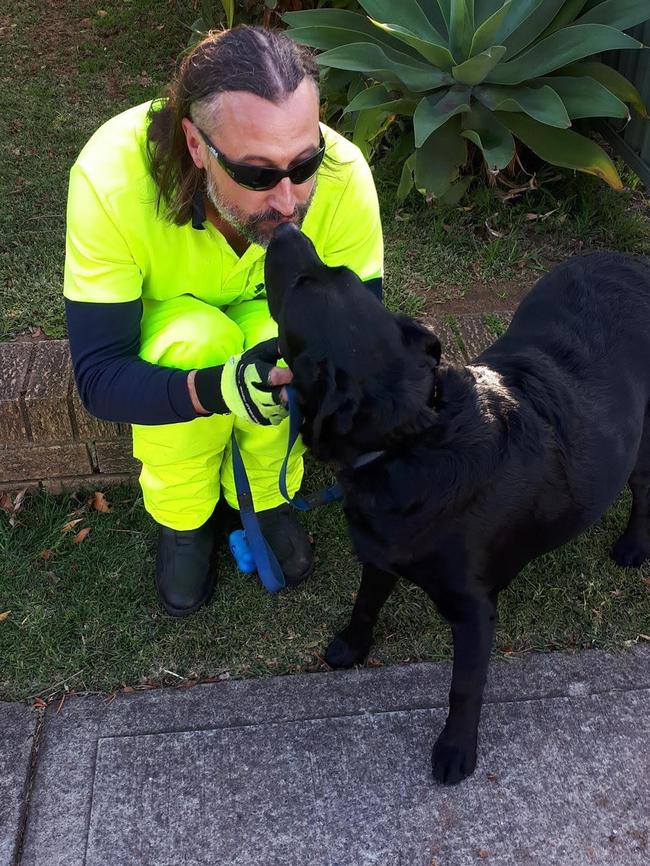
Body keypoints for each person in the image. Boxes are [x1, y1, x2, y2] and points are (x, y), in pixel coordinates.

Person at [63, 26, 384, 617]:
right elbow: (100, 377)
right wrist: (215, 388)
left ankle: (266, 497)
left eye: (305, 161)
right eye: (257, 175)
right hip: (173, 327)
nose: (288, 201)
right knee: (195, 342)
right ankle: (184, 518)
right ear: (194, 143)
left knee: (279, 341)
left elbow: (361, 335)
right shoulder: (109, 178)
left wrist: (311, 374)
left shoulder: (344, 176)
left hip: (271, 313)